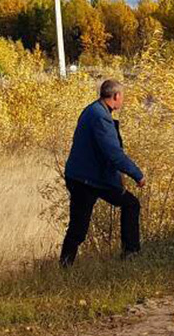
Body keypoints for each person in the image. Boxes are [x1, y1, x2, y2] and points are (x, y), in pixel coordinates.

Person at [60, 79, 145, 266]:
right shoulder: (100, 117)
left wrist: (118, 177)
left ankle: (65, 266)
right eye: (122, 96)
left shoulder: (92, 110)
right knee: (79, 228)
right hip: (87, 180)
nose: (123, 100)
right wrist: (137, 174)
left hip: (86, 177)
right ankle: (130, 254)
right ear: (116, 96)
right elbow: (114, 153)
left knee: (79, 227)